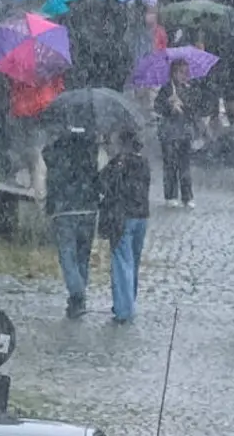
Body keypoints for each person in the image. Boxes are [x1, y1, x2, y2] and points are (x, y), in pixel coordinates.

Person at [42, 125, 100, 319]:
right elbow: (95, 178)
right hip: (88, 209)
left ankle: (77, 294)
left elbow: (53, 180)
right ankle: (78, 299)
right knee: (83, 255)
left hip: (64, 210)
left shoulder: (56, 152)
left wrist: (50, 206)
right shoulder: (90, 148)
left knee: (67, 255)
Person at [97, 130, 151, 323]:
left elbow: (102, 183)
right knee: (133, 263)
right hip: (142, 216)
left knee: (121, 263)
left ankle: (123, 310)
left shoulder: (119, 164)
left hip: (122, 217)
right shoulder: (144, 163)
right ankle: (127, 301)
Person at [154, 59, 197, 208]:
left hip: (184, 132)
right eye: (180, 72)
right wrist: (169, 105)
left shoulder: (189, 90)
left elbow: (194, 109)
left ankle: (187, 196)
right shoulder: (166, 89)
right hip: (169, 133)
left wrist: (183, 104)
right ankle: (171, 194)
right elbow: (158, 107)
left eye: (186, 73)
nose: (184, 76)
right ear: (173, 73)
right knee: (170, 164)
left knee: (184, 166)